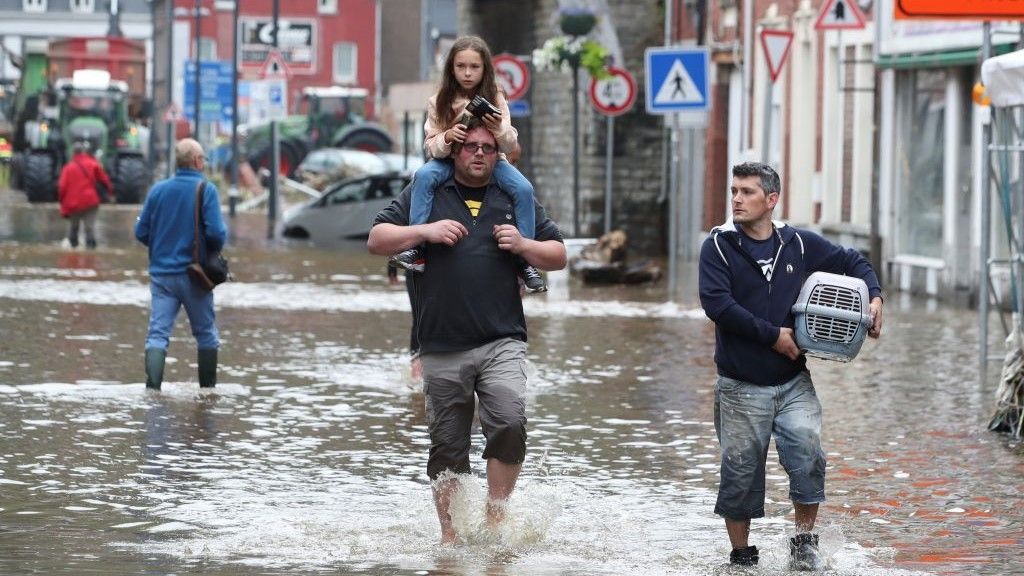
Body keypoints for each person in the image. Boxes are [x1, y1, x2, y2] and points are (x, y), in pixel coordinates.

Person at [367, 119, 567, 543]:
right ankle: (450, 538)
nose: (479, 153)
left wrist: (524, 245)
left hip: (502, 339)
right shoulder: (428, 191)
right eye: (471, 146)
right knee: (447, 446)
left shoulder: (513, 196)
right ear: (455, 151)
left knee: (509, 422)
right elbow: (377, 239)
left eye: (488, 148)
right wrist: (425, 231)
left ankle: (496, 519)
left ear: (498, 155)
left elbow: (558, 254)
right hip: (441, 342)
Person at [698, 161, 884, 570]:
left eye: (747, 192)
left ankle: (803, 543)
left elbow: (854, 261)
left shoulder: (797, 243)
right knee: (741, 472)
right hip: (739, 384)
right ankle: (741, 555)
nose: (736, 199)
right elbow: (717, 305)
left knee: (807, 452)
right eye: (733, 191)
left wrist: (875, 298)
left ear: (771, 199)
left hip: (793, 380)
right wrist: (773, 336)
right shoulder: (718, 246)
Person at [387, 35, 547, 294]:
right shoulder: (439, 100)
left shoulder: (496, 97)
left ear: (485, 69)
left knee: (524, 188)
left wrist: (498, 128)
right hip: (448, 161)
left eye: (474, 67)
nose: (468, 73)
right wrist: (448, 137)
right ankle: (417, 248)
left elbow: (510, 145)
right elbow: (431, 145)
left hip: (492, 162)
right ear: (452, 68)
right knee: (423, 176)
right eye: (461, 66)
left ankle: (524, 262)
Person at [134, 138, 227, 390]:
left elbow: (141, 231)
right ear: (196, 161)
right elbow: (217, 234)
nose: (204, 162)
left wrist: (161, 246)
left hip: (162, 276)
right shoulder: (206, 190)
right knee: (206, 334)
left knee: (157, 334)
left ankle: (153, 391)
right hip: (195, 274)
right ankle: (207, 393)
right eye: (203, 158)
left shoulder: (157, 190)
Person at [57, 141, 112, 249]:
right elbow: (104, 180)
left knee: (74, 228)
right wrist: (109, 193)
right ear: (83, 152)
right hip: (91, 201)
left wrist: (62, 201)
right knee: (89, 228)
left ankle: (73, 251)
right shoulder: (93, 164)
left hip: (73, 203)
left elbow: (62, 187)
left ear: (73, 152)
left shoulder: (68, 168)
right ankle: (91, 252)